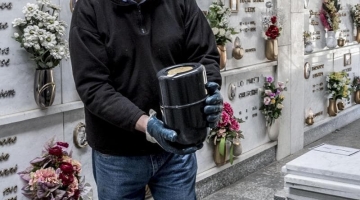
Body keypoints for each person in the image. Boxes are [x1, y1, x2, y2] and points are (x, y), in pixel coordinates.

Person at [69, 0, 222, 199]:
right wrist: (147, 125)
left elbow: (204, 56)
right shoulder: (90, 7)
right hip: (117, 155)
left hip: (175, 150)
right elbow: (93, 86)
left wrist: (209, 91)